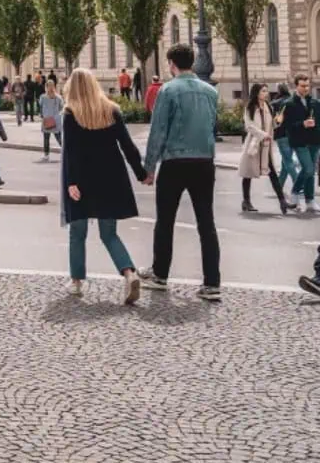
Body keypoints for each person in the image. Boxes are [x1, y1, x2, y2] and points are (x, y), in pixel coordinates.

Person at [139, 44, 222, 302]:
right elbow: (213, 125)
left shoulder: (168, 90)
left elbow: (158, 130)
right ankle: (211, 282)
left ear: (172, 64)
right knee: (206, 222)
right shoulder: (210, 92)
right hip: (204, 162)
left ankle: (160, 275)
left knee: (165, 221)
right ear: (193, 62)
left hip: (175, 161)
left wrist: (149, 167)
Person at [59, 68, 145, 303]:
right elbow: (128, 146)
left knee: (78, 233)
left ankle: (76, 282)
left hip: (83, 180)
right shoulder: (112, 110)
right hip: (111, 178)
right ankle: (129, 273)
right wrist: (141, 173)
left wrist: (71, 182)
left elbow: (70, 153)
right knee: (109, 234)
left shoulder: (70, 113)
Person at [240, 83, 290, 214]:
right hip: (254, 144)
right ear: (257, 93)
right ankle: (246, 201)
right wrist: (263, 135)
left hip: (265, 146)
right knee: (248, 173)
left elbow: (270, 124)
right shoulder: (250, 107)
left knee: (272, 172)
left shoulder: (268, 106)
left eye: (266, 91)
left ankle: (282, 201)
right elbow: (249, 126)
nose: (266, 93)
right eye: (263, 91)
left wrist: (277, 121)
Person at [279, 74, 320, 212]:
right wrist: (302, 124)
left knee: (310, 171)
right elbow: (287, 126)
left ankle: (310, 200)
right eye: (302, 86)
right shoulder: (289, 104)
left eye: (307, 85)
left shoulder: (314, 102)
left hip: (314, 140)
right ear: (296, 86)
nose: (306, 88)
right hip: (299, 141)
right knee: (308, 168)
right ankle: (295, 193)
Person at [38, 78, 65, 161]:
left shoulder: (43, 97)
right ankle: (66, 153)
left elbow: (40, 107)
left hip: (47, 120)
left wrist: (42, 115)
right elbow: (62, 108)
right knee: (59, 138)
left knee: (47, 138)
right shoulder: (58, 97)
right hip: (56, 120)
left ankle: (46, 155)